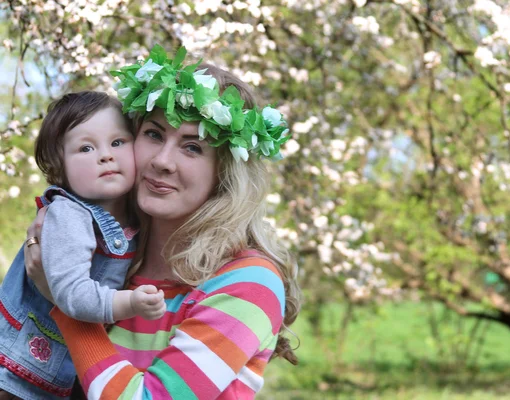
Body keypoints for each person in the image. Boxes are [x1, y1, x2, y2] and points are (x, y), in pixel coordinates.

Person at [22, 45, 301, 399]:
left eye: (193, 147)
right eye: (154, 134)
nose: (163, 161)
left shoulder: (247, 282)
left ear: (224, 173)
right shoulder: (103, 260)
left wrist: (67, 304)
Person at [0, 92, 167, 399]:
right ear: (59, 168)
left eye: (117, 142)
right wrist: (130, 303)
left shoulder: (132, 218)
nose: (106, 155)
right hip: (18, 369)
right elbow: (73, 295)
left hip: (62, 367)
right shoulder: (69, 215)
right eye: (86, 148)